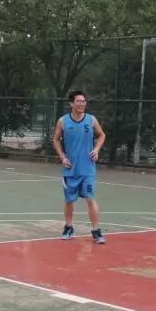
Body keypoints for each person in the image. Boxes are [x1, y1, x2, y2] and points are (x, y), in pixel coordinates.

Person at [52, 90, 107, 244]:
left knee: (90, 198)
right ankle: (69, 227)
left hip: (87, 169)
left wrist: (96, 150)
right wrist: (62, 157)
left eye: (84, 101)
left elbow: (102, 135)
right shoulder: (63, 121)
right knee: (69, 200)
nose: (82, 103)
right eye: (78, 101)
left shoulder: (91, 120)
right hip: (70, 169)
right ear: (71, 103)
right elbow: (56, 140)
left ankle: (96, 230)